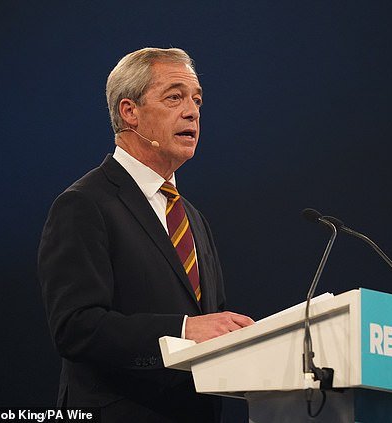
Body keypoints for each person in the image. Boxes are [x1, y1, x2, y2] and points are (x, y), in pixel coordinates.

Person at [38, 47, 254, 422]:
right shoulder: (84, 204)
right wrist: (183, 330)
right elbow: (75, 328)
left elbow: (210, 326)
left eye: (197, 100)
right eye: (174, 97)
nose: (192, 111)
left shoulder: (193, 219)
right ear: (130, 111)